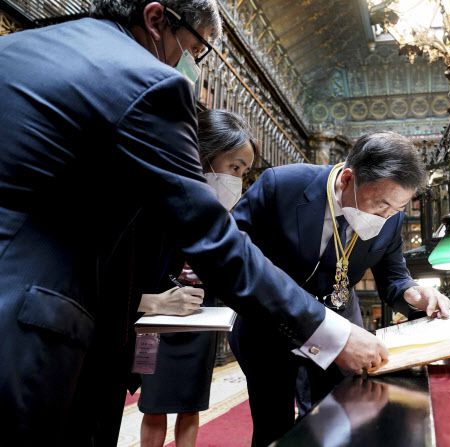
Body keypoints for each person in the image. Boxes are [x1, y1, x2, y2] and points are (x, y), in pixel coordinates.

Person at [0, 1, 386, 444]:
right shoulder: (149, 82)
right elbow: (214, 240)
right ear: (156, 19)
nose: (192, 66)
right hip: (29, 334)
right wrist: (331, 334)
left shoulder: (16, 49)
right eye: (197, 50)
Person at [230, 131, 450, 446]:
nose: (387, 216)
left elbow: (393, 276)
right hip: (270, 325)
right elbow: (233, 256)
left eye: (398, 208)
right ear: (348, 179)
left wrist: (413, 293)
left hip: (342, 330)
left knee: (342, 421)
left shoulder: (390, 218)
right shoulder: (281, 185)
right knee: (273, 426)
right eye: (381, 205)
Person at [137, 110, 258, 447]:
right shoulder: (156, 203)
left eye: (244, 173)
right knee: (153, 404)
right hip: (157, 320)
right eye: (234, 167)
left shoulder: (222, 214)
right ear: (206, 155)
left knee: (192, 403)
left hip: (203, 315)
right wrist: (154, 301)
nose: (238, 180)